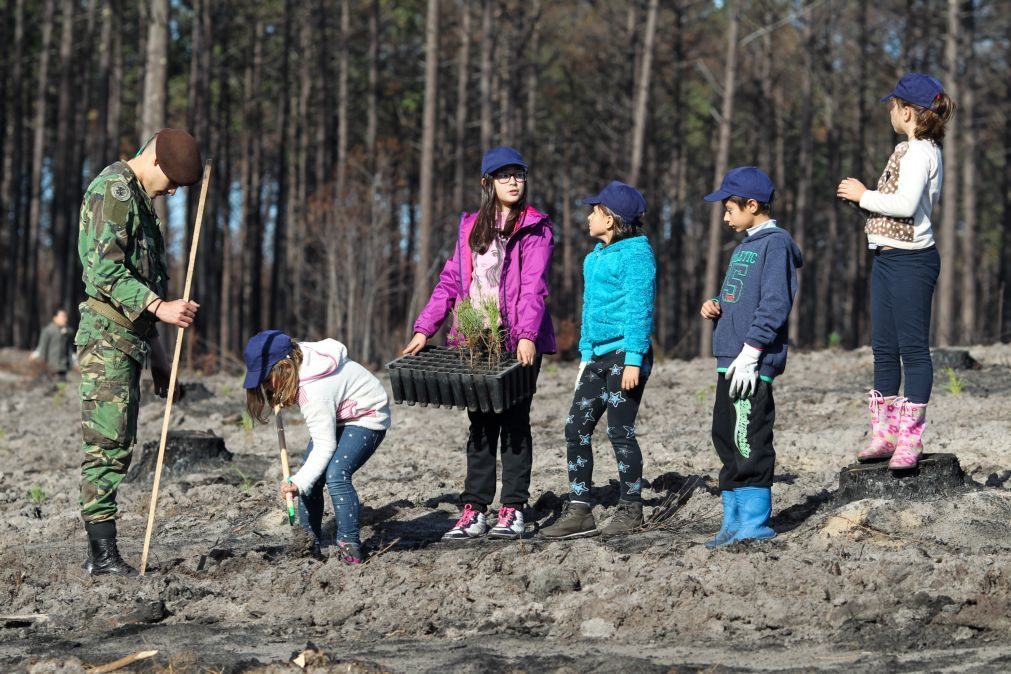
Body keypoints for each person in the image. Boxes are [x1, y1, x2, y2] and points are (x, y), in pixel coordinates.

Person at [403, 146, 555, 541]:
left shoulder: (536, 226)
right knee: (482, 425)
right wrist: (425, 329)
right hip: (476, 338)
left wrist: (526, 337)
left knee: (515, 423)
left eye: (518, 174)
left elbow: (532, 287)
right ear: (487, 183)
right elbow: (452, 281)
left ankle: (514, 508)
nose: (513, 182)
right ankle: (474, 510)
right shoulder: (471, 226)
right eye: (504, 176)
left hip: (517, 340)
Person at [76, 128, 203, 575]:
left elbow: (148, 282)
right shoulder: (112, 192)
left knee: (122, 444)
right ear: (153, 161)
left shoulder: (142, 204)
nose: (171, 191)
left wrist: (162, 359)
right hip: (106, 339)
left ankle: (104, 552)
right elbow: (103, 270)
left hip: (131, 340)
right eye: (170, 181)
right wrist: (160, 307)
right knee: (107, 445)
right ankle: (102, 557)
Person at [837, 73, 954, 470]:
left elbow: (905, 206)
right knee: (884, 349)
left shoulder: (921, 151)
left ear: (908, 111)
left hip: (912, 262)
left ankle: (910, 440)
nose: (890, 112)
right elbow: (895, 206)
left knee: (913, 351)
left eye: (893, 106)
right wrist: (865, 204)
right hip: (887, 259)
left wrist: (863, 194)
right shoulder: (907, 150)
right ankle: (884, 436)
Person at [540, 181, 655, 540]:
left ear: (611, 218)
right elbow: (589, 310)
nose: (588, 216)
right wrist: (585, 356)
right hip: (598, 356)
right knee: (575, 427)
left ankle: (631, 507)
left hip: (625, 355)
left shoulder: (637, 254)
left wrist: (634, 358)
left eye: (594, 211)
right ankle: (579, 509)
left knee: (620, 431)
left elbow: (640, 307)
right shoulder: (594, 257)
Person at [699, 167, 802, 546]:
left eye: (729, 209)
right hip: (730, 359)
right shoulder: (746, 246)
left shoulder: (776, 244)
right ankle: (732, 519)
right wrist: (716, 305)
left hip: (751, 361)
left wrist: (753, 350)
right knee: (724, 435)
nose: (726, 217)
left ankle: (754, 522)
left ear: (752, 205)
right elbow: (742, 298)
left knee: (749, 437)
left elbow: (775, 303)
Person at [244, 330, 390, 564]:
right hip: (338, 415)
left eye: (266, 380)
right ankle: (308, 544)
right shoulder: (296, 355)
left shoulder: (314, 391)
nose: (266, 388)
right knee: (311, 479)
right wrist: (303, 481)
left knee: (336, 474)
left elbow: (324, 445)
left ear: (285, 368)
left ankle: (348, 544)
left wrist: (297, 483)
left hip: (366, 416)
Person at [30, 307, 75, 381]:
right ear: (55, 318)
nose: (65, 319)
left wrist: (72, 363)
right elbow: (42, 348)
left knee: (61, 389)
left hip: (63, 367)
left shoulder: (68, 332)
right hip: (50, 368)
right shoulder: (48, 331)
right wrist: (43, 366)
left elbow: (69, 350)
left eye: (66, 316)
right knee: (51, 389)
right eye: (62, 316)